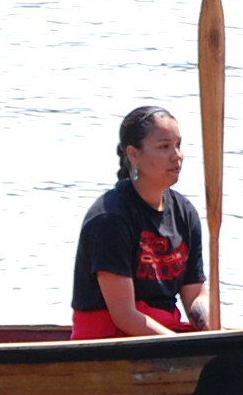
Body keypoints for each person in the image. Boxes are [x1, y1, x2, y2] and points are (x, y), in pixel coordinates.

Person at [70, 105, 210, 339]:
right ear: (134, 154)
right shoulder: (110, 219)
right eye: (164, 147)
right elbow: (124, 315)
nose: (177, 155)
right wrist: (180, 347)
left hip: (164, 334)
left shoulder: (184, 213)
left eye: (178, 145)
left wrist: (209, 325)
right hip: (109, 341)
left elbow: (195, 293)